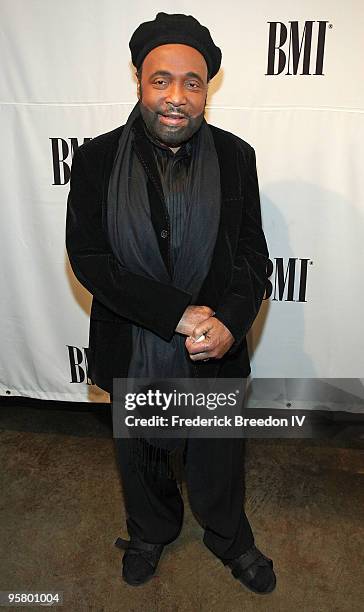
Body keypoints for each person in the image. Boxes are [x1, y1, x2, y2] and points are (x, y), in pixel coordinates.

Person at [66, 12, 275, 595]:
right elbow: (90, 258)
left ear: (207, 89)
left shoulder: (237, 156)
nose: (176, 98)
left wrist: (231, 322)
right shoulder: (96, 161)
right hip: (135, 343)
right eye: (162, 81)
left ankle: (229, 536)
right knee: (141, 459)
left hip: (216, 349)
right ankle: (150, 532)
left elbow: (253, 255)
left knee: (219, 460)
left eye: (192, 82)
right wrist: (175, 313)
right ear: (139, 81)